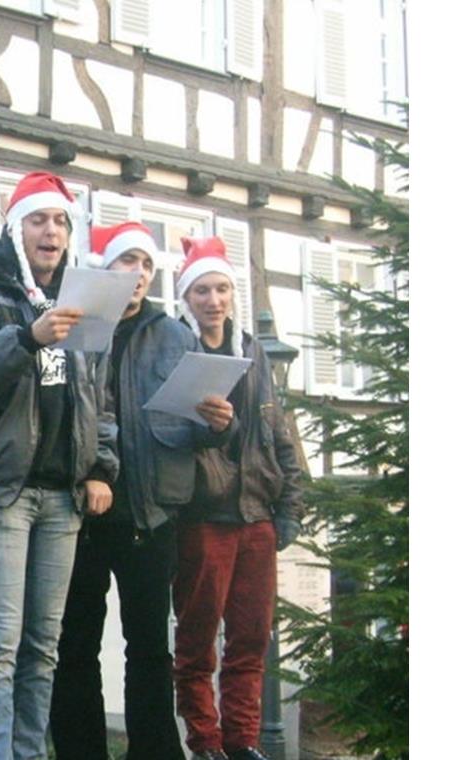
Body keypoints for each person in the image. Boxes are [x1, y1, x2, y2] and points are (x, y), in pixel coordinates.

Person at [0, 172, 118, 759]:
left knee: (44, 646)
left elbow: (100, 393)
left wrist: (101, 466)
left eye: (61, 221)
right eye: (38, 220)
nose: (51, 231)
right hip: (0, 494)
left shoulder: (84, 296)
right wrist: (28, 337)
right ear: (14, 229)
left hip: (62, 497)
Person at [50, 221, 235, 760]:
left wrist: (218, 423)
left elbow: (195, 429)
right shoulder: (78, 326)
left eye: (146, 265)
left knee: (151, 648)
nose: (137, 274)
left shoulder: (175, 334)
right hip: (83, 511)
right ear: (104, 269)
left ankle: (154, 752)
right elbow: (60, 412)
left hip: (151, 514)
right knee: (75, 644)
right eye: (126, 262)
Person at [171, 236, 304, 760]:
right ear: (187, 298)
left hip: (257, 515)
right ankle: (205, 744)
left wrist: (289, 505)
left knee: (251, 641)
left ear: (233, 295)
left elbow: (279, 433)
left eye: (222, 288)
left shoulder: (253, 352)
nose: (213, 299)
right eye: (202, 290)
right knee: (198, 642)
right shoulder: (179, 351)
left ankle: (242, 741)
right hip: (205, 515)